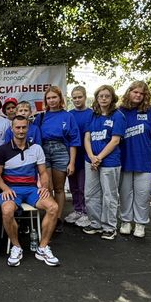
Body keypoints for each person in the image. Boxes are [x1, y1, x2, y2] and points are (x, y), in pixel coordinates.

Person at [0, 115, 61, 267]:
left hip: (32, 190)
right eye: (17, 127)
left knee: (54, 207)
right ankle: (16, 247)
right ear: (12, 129)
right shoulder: (2, 150)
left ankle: (43, 247)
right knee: (7, 211)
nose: (20, 130)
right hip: (12, 190)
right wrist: (5, 188)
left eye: (24, 127)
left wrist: (44, 187)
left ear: (28, 128)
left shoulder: (36, 148)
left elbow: (43, 173)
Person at [118, 81, 151, 238]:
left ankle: (140, 223)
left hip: (145, 161)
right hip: (123, 160)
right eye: (135, 92)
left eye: (141, 93)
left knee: (143, 194)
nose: (138, 95)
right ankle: (125, 221)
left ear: (145, 96)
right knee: (124, 193)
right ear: (129, 92)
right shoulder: (120, 111)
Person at [35, 86, 81, 233]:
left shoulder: (68, 116)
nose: (52, 100)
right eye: (49, 98)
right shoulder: (41, 117)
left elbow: (74, 140)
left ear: (60, 98)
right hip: (44, 151)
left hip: (61, 151)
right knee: (47, 187)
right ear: (45, 100)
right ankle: (49, 215)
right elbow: (34, 135)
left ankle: (58, 218)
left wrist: (72, 162)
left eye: (54, 97)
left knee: (59, 188)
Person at [83, 85, 125, 239]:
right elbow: (87, 138)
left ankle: (109, 227)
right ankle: (95, 223)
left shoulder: (118, 116)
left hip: (110, 161)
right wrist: (92, 157)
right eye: (101, 96)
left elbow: (115, 141)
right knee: (90, 194)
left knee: (109, 195)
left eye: (107, 96)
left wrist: (99, 157)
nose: (104, 99)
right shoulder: (92, 115)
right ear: (97, 98)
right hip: (91, 160)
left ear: (112, 98)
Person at [67, 85, 94, 229]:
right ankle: (77, 210)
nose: (77, 100)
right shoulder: (69, 114)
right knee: (74, 186)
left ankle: (86, 212)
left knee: (84, 186)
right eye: (74, 97)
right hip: (72, 155)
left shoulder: (92, 113)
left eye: (80, 97)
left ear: (85, 97)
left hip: (86, 154)